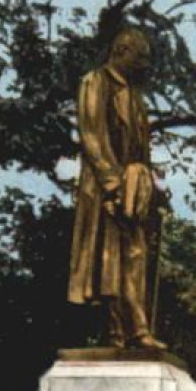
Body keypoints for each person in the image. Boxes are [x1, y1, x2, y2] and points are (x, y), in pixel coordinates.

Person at [67, 26, 167, 350]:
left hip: (135, 189)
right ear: (121, 51)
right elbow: (92, 136)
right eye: (140, 58)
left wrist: (149, 191)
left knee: (135, 257)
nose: (144, 66)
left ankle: (136, 328)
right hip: (105, 188)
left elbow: (142, 152)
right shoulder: (95, 83)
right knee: (109, 262)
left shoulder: (135, 98)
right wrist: (112, 185)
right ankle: (117, 333)